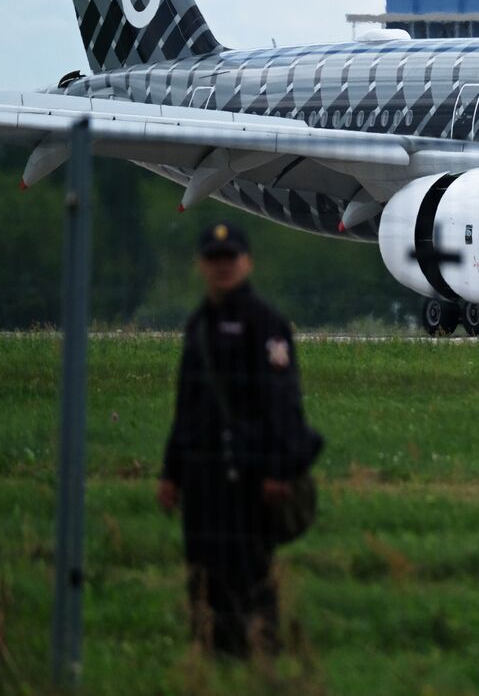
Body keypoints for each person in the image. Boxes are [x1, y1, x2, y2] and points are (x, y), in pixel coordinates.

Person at [156, 222, 323, 659]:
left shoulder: (265, 323)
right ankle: (211, 656)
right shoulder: (198, 325)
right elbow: (186, 405)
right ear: (201, 265)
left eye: (230, 259)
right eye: (215, 259)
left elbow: (282, 403)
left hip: (247, 476)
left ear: (246, 263)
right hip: (201, 478)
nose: (222, 267)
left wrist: (278, 469)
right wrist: (171, 473)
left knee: (249, 575)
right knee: (203, 575)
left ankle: (259, 660)